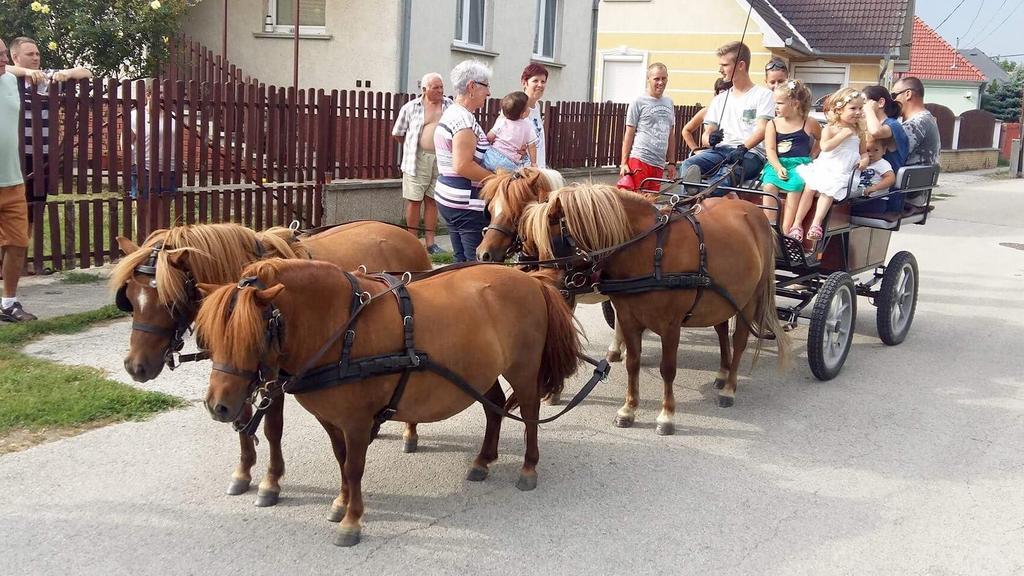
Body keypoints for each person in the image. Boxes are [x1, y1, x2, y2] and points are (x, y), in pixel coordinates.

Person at [679, 42, 775, 189]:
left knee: (725, 175)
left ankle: (697, 199)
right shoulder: (719, 100)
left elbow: (762, 129)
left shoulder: (763, 95)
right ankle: (690, 202)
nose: (720, 70)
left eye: (724, 65)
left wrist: (743, 148)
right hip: (720, 152)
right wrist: (710, 139)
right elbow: (706, 136)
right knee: (688, 164)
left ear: (741, 65)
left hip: (750, 155)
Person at [8, 37, 92, 201]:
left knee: (35, 206)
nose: (36, 58)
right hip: (13, 153)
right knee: (11, 207)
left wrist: (67, 73)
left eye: (37, 54)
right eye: (30, 54)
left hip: (42, 153)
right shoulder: (7, 80)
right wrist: (27, 72)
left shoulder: (47, 78)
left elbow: (86, 72)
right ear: (15, 57)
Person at [433, 60, 494, 262]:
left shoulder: (453, 113)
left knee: (460, 261)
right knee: (474, 265)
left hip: (451, 198)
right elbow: (463, 165)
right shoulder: (463, 120)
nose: (489, 92)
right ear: (471, 87)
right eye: (486, 86)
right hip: (465, 203)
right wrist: (498, 179)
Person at [788, 88, 867, 242]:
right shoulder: (830, 129)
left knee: (829, 189)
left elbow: (863, 152)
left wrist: (864, 160)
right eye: (853, 108)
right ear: (839, 110)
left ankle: (816, 224)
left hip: (843, 172)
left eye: (860, 108)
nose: (857, 112)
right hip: (825, 167)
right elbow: (825, 147)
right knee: (809, 188)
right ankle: (797, 224)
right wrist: (843, 135)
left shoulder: (860, 133)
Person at [392, 72, 450, 254]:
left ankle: (430, 243)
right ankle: (412, 242)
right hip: (416, 159)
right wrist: (412, 146)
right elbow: (397, 133)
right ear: (424, 89)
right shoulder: (410, 108)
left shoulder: (450, 105)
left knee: (432, 200)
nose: (440, 90)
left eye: (441, 87)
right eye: (436, 87)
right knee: (415, 200)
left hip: (441, 159)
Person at [0, 39, 37, 321]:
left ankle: (8, 303)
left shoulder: (10, 81)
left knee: (18, 243)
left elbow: (20, 70)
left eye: (5, 55)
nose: (5, 61)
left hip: (13, 182)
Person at [760, 80, 816, 231]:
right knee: (769, 185)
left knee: (796, 185)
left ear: (795, 103)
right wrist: (778, 167)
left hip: (799, 164)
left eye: (780, 103)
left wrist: (814, 154)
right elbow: (770, 149)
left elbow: (823, 139)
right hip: (777, 163)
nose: (775, 107)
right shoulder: (773, 123)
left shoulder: (808, 122)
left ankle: (786, 230)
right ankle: (770, 228)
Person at [618, 62, 677, 193]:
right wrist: (624, 163)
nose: (660, 82)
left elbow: (671, 134)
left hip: (659, 164)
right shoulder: (638, 102)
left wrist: (672, 163)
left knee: (651, 205)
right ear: (648, 79)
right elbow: (629, 133)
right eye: (656, 79)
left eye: (664, 78)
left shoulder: (669, 103)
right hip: (640, 160)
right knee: (636, 203)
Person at [858, 84, 910, 214]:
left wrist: (869, 110)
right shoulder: (870, 125)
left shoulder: (893, 125)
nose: (862, 107)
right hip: (866, 192)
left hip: (885, 196)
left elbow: (876, 132)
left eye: (864, 102)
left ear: (880, 102)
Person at [491, 63, 549, 169]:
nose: (540, 85)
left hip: (538, 169)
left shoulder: (536, 106)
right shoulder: (514, 106)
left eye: (543, 81)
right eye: (535, 80)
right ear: (524, 82)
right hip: (520, 172)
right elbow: (497, 136)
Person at [129, 79, 178, 198]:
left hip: (169, 169)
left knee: (163, 207)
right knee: (143, 208)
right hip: (144, 168)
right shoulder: (136, 115)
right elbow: (126, 142)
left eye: (165, 94)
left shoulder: (172, 117)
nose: (163, 96)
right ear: (148, 95)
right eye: (159, 93)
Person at [890, 76, 940, 166]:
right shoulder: (927, 119)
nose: (893, 101)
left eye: (894, 95)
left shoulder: (916, 124)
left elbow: (887, 155)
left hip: (905, 179)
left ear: (908, 94)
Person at [483, 91, 537, 171]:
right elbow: (532, 146)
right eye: (528, 107)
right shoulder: (528, 126)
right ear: (523, 113)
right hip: (510, 163)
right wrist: (533, 163)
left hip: (493, 156)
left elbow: (490, 137)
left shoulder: (502, 121)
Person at [681, 78, 731, 154]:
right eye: (721, 93)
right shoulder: (707, 111)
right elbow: (686, 131)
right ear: (715, 94)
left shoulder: (735, 112)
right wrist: (696, 150)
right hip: (711, 151)